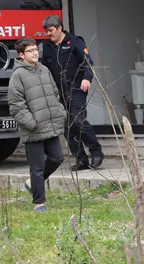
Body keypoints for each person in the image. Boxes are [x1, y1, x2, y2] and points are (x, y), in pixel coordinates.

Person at [7, 37, 66, 213]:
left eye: (36, 50)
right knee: (37, 167)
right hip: (33, 129)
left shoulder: (44, 69)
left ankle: (31, 184)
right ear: (21, 55)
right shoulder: (17, 75)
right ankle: (39, 203)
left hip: (50, 125)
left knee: (57, 158)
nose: (35, 53)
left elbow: (54, 94)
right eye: (30, 51)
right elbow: (16, 105)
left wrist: (59, 112)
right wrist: (31, 123)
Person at [41, 15, 104, 171]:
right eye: (46, 31)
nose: (49, 34)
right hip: (58, 91)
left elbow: (88, 62)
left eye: (51, 30)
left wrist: (87, 78)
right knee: (67, 126)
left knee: (78, 120)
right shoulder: (47, 46)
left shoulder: (75, 41)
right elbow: (44, 68)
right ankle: (81, 159)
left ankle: (96, 151)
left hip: (76, 87)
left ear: (59, 28)